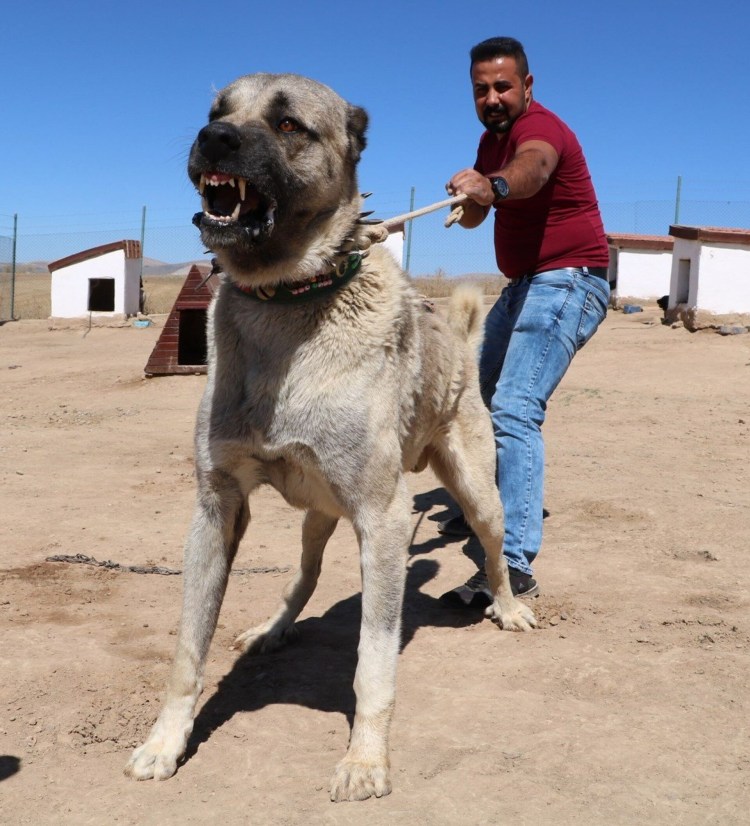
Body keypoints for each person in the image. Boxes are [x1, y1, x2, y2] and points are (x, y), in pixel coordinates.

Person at [440, 36, 610, 606]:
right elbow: (479, 214)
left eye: (503, 86)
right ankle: (485, 515)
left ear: (527, 87)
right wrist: (470, 202)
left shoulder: (542, 133)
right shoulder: (490, 146)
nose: (492, 98)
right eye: (481, 89)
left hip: (570, 279)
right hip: (524, 286)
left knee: (514, 407)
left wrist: (493, 185)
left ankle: (512, 565)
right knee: (476, 399)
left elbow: (531, 172)